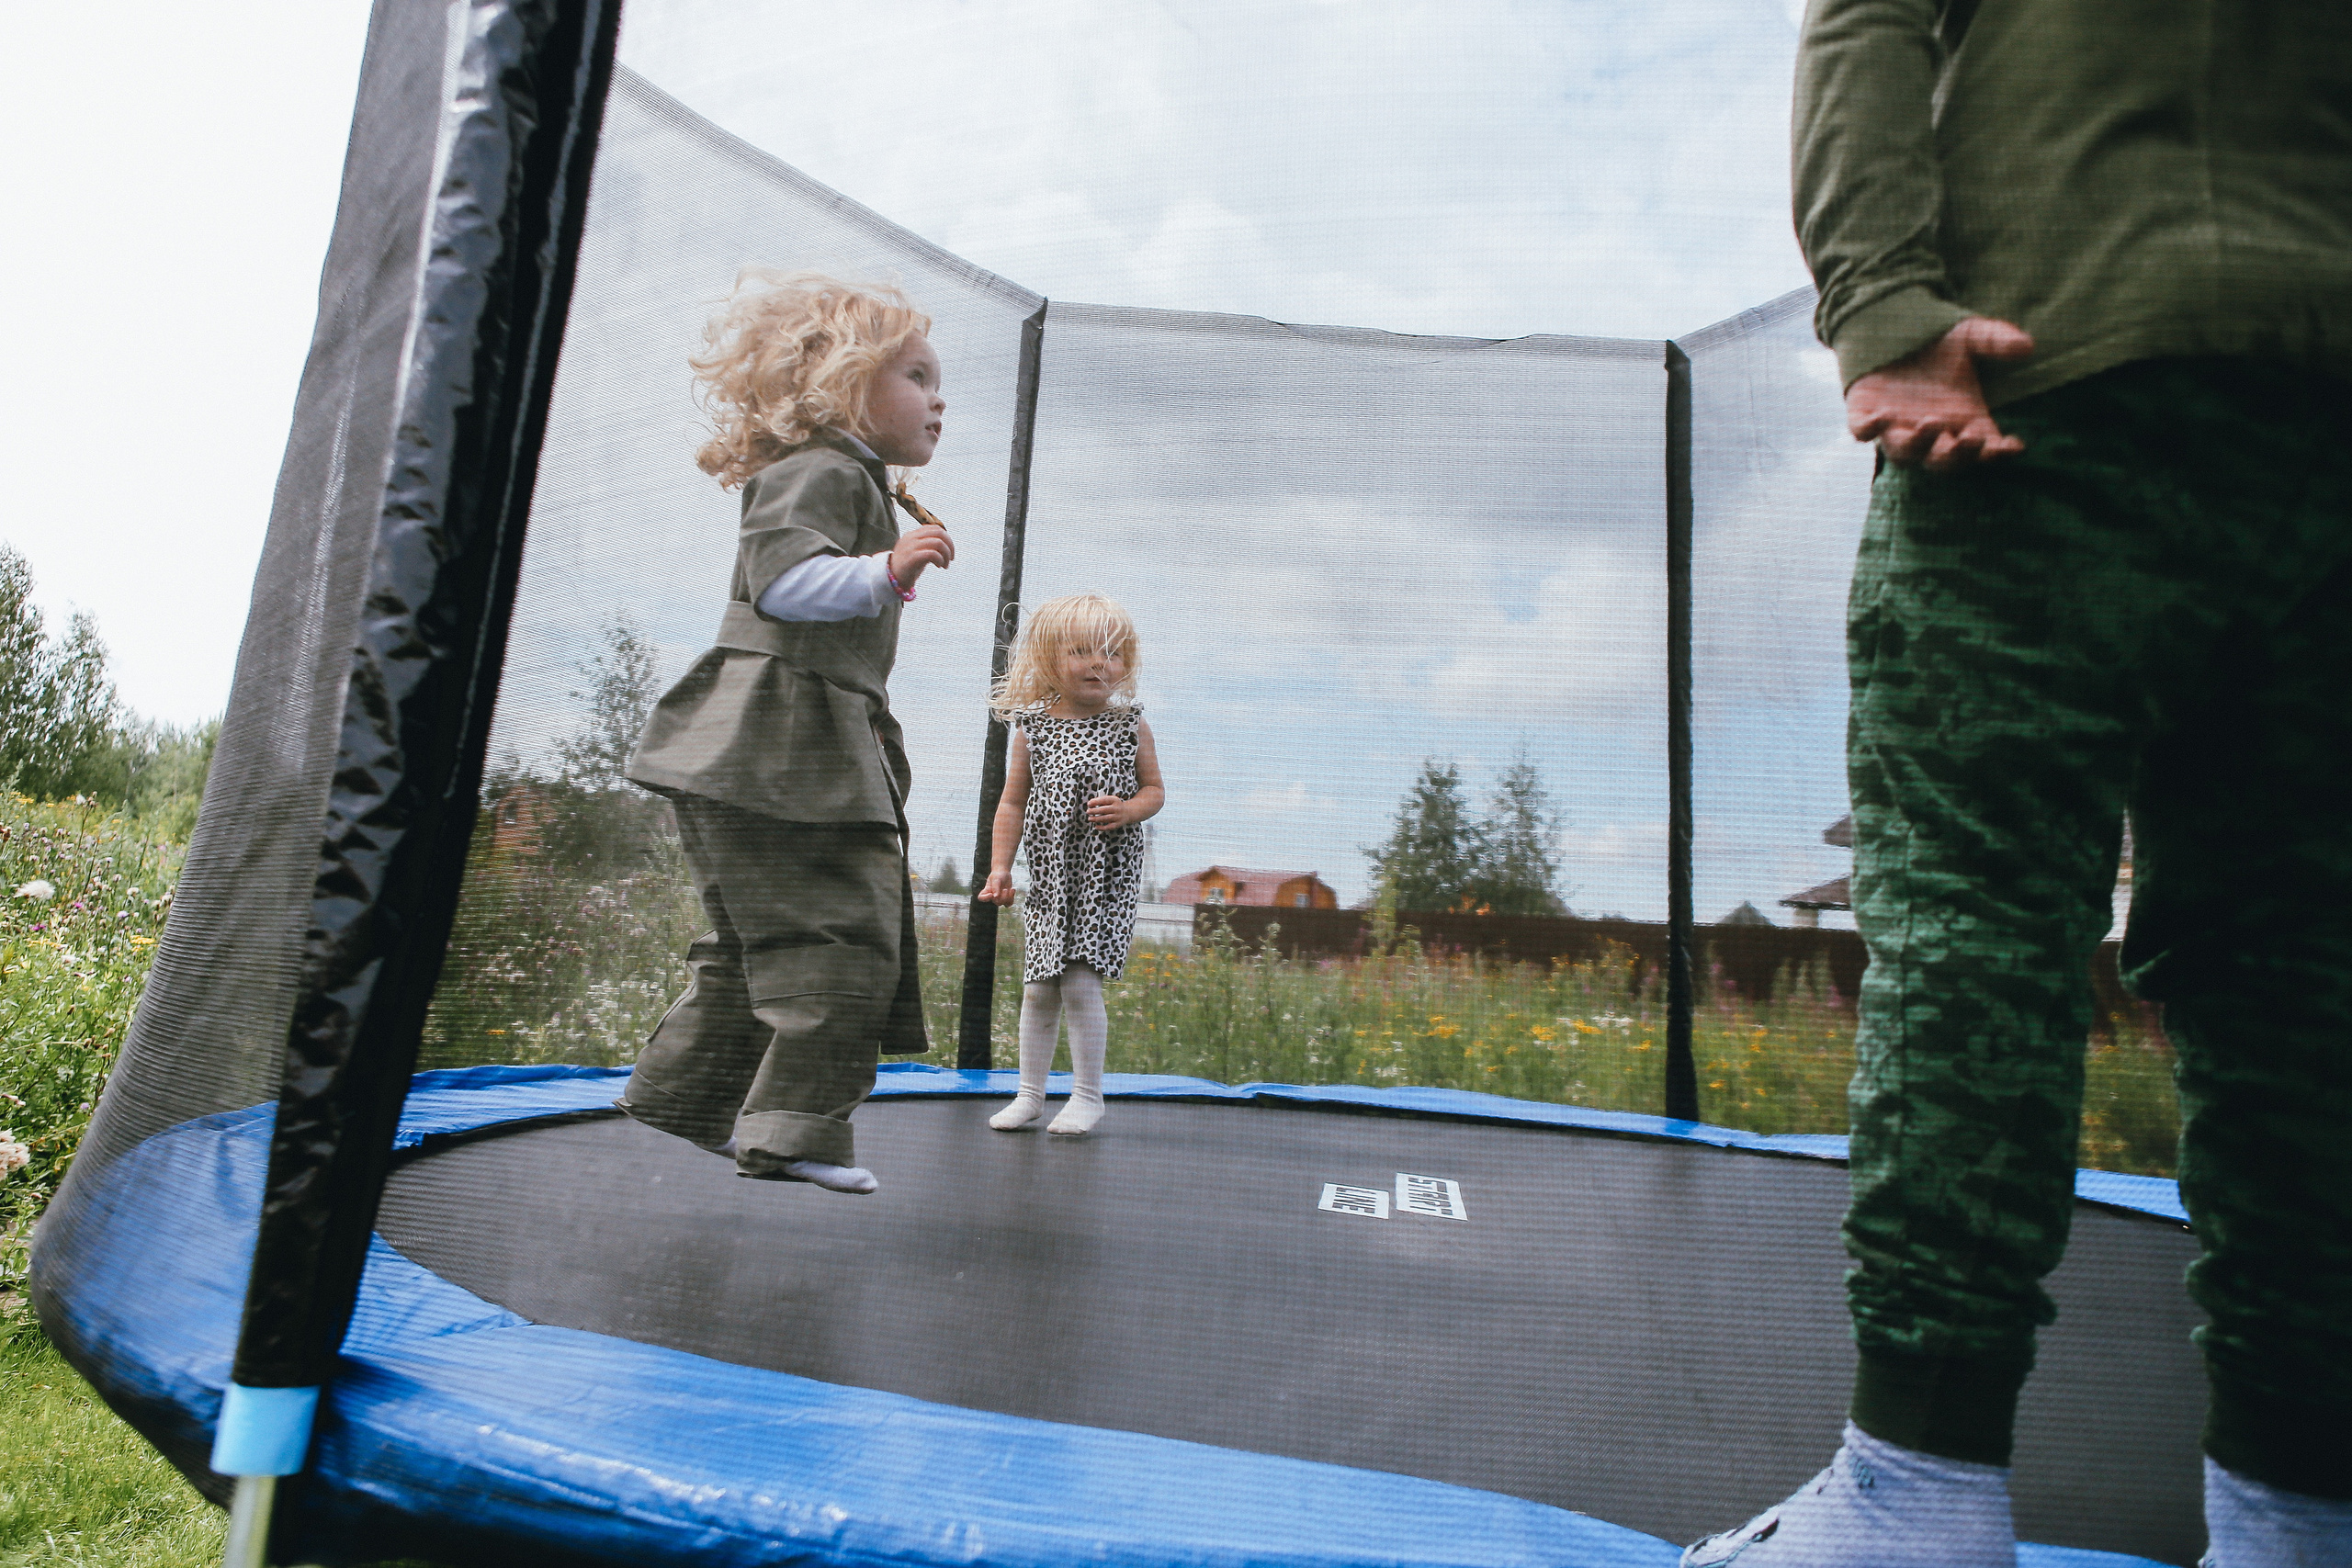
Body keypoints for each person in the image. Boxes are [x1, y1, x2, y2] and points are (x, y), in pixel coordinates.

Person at [1685, 5, 2352, 1565]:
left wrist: (1883, 302)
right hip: (2325, 408)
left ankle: (1914, 1491)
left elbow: (1871, 15)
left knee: (1979, 916)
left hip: (2050, 384)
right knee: (2303, 983)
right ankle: (2300, 1515)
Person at [617, 271, 955, 1196]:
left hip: (762, 754)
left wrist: (883, 561)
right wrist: (886, 570)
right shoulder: (822, 470)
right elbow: (782, 586)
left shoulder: (853, 478)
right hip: (776, 752)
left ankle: (690, 1102)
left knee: (751, 946)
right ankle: (796, 1130)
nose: (938, 399)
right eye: (917, 376)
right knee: (846, 940)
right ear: (845, 383)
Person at [976, 593, 1165, 1136]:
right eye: (1082, 651)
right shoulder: (1033, 730)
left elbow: (1155, 790)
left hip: (1105, 878)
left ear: (1125, 663)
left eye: (1112, 653)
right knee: (1039, 986)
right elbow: (1012, 803)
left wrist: (1130, 809)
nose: (1099, 663)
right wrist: (1000, 868)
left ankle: (1087, 1096)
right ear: (1051, 659)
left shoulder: (1130, 725)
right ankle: (1029, 1095)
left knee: (1080, 984)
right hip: (1053, 880)